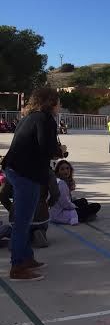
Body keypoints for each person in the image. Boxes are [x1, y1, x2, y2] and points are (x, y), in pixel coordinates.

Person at [1, 87, 64, 281]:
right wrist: (59, 150)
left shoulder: (30, 117)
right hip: (25, 173)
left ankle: (26, 258)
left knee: (25, 220)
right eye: (58, 101)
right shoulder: (46, 119)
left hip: (14, 169)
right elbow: (46, 148)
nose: (60, 105)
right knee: (22, 222)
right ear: (51, 102)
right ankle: (17, 267)